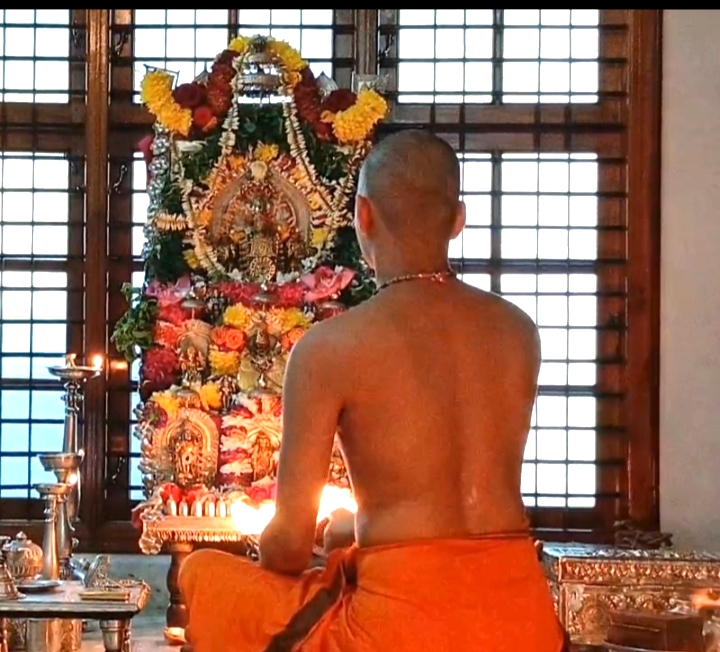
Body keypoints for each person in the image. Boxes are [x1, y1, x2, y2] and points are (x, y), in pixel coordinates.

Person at [179, 129, 567, 652]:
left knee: (203, 574)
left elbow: (288, 548)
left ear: (362, 215)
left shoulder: (330, 347)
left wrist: (303, 541)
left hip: (402, 629)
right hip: (523, 622)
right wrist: (357, 533)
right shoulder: (518, 331)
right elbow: (449, 512)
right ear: (458, 220)